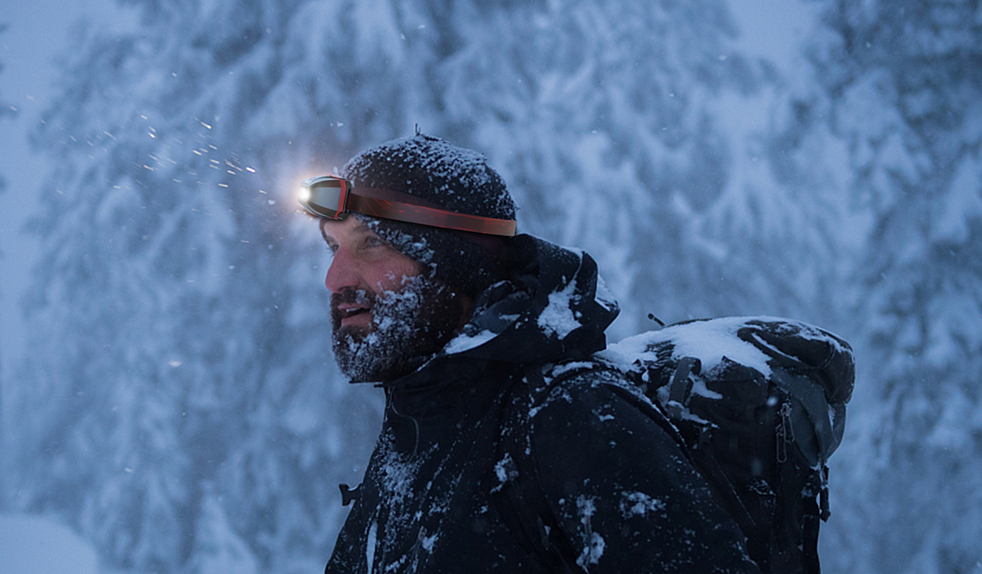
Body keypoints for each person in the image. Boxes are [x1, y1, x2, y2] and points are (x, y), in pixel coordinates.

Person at [300, 134, 759, 573]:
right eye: (333, 247)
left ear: (456, 261)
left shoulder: (569, 414)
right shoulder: (416, 426)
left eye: (371, 242)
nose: (335, 278)